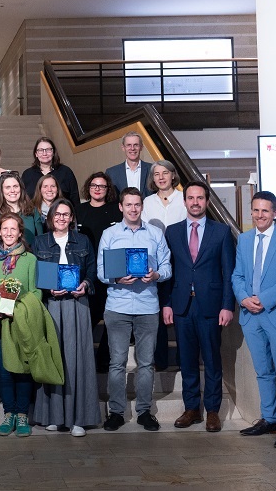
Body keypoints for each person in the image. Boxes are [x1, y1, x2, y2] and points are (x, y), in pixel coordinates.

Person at [161, 181, 235, 433]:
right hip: (182, 305)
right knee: (187, 359)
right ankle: (191, 408)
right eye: (191, 198)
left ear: (207, 201)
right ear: (184, 202)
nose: (195, 202)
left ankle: (212, 411)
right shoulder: (172, 232)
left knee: (212, 359)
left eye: (200, 198)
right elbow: (168, 272)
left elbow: (228, 273)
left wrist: (227, 305)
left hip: (211, 306)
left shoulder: (221, 232)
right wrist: (167, 303)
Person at [232, 191, 276, 449]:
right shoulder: (244, 239)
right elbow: (237, 276)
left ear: (275, 212)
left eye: (265, 210)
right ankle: (270, 419)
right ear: (251, 211)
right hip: (251, 316)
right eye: (256, 210)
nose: (259, 215)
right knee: (263, 371)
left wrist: (262, 299)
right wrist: (243, 298)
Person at [97, 187, 171, 432]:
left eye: (137, 204)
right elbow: (101, 271)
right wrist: (116, 278)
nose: (133, 209)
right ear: (121, 207)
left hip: (147, 306)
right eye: (128, 204)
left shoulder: (155, 234)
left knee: (146, 363)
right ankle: (116, 412)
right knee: (117, 362)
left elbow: (167, 267)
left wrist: (156, 275)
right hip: (117, 306)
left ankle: (144, 412)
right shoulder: (109, 234)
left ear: (142, 206)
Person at [32, 199, 101, 437]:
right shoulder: (40, 242)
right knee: (53, 357)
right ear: (50, 217)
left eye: (66, 214)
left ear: (72, 218)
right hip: (51, 304)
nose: (61, 218)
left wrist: (86, 284)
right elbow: (36, 273)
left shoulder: (82, 240)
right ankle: (54, 416)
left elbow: (92, 269)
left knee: (78, 359)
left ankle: (79, 418)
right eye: (58, 214)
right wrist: (47, 288)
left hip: (77, 304)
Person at [0, 213, 44, 439]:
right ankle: (8, 413)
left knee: (23, 370)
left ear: (20, 233)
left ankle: (22, 414)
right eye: (5, 229)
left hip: (23, 321)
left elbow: (36, 292)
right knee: (5, 370)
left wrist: (19, 309)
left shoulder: (30, 259)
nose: (9, 233)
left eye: (13, 229)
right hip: (1, 323)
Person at [142, 159, 187, 370]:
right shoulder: (147, 202)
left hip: (181, 261)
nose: (161, 177)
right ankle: (160, 359)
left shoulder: (184, 199)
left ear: (173, 175)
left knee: (180, 311)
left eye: (165, 173)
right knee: (158, 311)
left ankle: (183, 359)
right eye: (156, 174)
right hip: (157, 263)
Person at [76, 172, 122, 372]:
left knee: (112, 320)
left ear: (107, 189)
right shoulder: (79, 210)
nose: (97, 189)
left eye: (102, 186)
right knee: (89, 318)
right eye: (94, 185)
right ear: (88, 187)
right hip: (87, 270)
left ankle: (103, 359)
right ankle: (83, 360)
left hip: (110, 270)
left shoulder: (115, 210)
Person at [0, 171, 44, 256]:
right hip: (0, 260)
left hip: (29, 258)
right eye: (7, 187)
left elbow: (41, 242)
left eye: (15, 186)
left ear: (21, 188)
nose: (12, 190)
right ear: (1, 190)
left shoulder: (32, 211)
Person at [22, 137, 79, 206]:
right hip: (34, 212)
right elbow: (23, 199)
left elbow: (75, 198)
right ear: (36, 154)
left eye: (48, 150)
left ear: (53, 152)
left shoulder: (65, 172)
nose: (44, 153)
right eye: (40, 150)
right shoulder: (27, 174)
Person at [105, 131, 153, 198]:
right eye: (129, 145)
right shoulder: (111, 173)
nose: (132, 148)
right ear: (123, 148)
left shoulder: (152, 169)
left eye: (136, 145)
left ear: (141, 147)